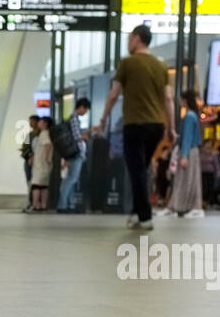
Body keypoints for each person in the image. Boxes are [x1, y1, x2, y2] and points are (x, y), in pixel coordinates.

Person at [93, 25, 175, 230]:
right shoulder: (160, 65)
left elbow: (113, 95)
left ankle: (145, 216)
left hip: (135, 125)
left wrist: (103, 119)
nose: (128, 43)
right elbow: (168, 98)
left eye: (129, 39)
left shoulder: (128, 63)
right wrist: (171, 127)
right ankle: (137, 213)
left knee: (137, 170)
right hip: (156, 126)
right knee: (142, 169)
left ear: (137, 39)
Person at [168, 90, 204, 218]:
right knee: (188, 179)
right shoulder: (193, 115)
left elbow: (187, 137)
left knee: (188, 179)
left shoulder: (189, 116)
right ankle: (181, 206)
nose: (180, 102)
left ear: (185, 101)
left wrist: (184, 155)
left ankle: (194, 207)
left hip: (188, 151)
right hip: (191, 150)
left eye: (182, 100)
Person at [56, 98, 90, 214]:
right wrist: (84, 136)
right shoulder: (74, 118)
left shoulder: (71, 118)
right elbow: (76, 136)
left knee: (70, 178)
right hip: (76, 152)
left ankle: (69, 204)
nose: (85, 112)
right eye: (86, 109)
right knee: (71, 179)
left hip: (71, 153)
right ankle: (63, 205)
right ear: (81, 107)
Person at [28, 117, 52, 211]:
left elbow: (48, 145)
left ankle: (36, 205)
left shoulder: (43, 134)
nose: (37, 123)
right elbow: (27, 147)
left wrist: (47, 157)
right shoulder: (32, 134)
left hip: (41, 163)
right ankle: (42, 205)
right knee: (43, 185)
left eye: (39, 122)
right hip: (39, 162)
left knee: (36, 184)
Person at [20, 114, 39, 212]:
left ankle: (34, 202)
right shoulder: (30, 134)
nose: (30, 123)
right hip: (28, 162)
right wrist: (28, 157)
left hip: (36, 162)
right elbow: (25, 148)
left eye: (32, 121)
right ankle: (30, 202)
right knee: (29, 182)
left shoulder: (39, 134)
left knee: (34, 182)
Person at [199, 140, 220, 212]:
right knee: (203, 188)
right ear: (203, 145)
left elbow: (216, 164)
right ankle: (202, 202)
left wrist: (218, 172)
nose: (208, 146)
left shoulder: (213, 154)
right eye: (207, 144)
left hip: (210, 174)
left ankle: (206, 202)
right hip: (202, 174)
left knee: (210, 189)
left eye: (210, 145)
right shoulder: (200, 153)